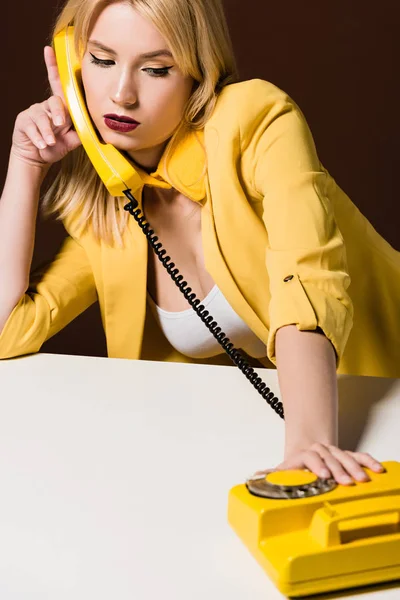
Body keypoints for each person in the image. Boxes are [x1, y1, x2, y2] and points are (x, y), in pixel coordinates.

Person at [1, 0, 397, 485]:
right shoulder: (108, 213)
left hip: (377, 401)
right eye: (102, 61)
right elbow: (9, 328)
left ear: (198, 75)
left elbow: (307, 286)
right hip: (291, 433)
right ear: (70, 66)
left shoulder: (255, 121)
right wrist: (25, 164)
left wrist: (309, 444)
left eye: (157, 69)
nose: (122, 94)